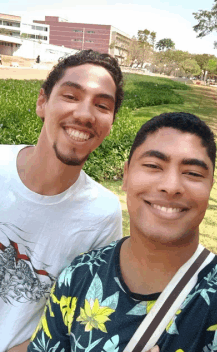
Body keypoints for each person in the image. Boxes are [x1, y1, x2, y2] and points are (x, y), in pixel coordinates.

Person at [28, 112, 217, 352]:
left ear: (210, 185)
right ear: (126, 175)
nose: (171, 186)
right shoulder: (78, 277)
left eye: (192, 173)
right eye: (153, 166)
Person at [0, 49, 124, 352]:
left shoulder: (103, 215)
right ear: (43, 101)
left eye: (102, 105)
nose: (84, 114)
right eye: (71, 96)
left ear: (109, 123)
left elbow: (77, 320)